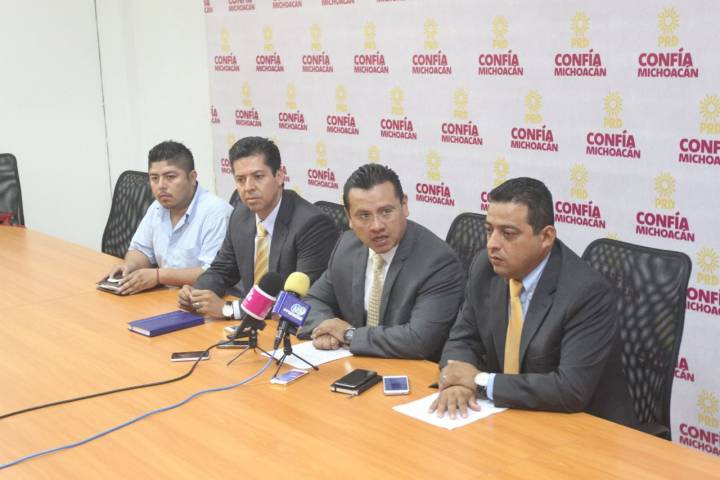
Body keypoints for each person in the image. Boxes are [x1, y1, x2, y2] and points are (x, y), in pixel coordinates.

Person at [430, 177, 636, 427]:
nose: (492, 244)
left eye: (508, 234)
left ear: (546, 236)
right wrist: (457, 383)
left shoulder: (586, 293)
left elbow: (570, 389)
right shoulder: (485, 268)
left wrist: (480, 381)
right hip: (511, 416)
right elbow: (462, 339)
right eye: (489, 230)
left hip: (583, 428)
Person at [298, 164, 464, 360]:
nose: (376, 226)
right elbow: (312, 301)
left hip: (408, 369)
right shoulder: (346, 247)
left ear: (404, 205)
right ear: (349, 217)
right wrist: (326, 327)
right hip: (352, 363)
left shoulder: (438, 262)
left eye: (386, 212)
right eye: (364, 216)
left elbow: (420, 341)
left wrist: (349, 335)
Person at [178, 136, 337, 319]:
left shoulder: (312, 224)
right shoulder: (241, 215)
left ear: (279, 176)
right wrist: (196, 294)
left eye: (258, 177)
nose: (248, 187)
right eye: (240, 179)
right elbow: (221, 270)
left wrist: (230, 309)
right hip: (250, 324)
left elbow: (301, 302)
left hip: (290, 329)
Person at [103, 141, 232, 295]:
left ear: (192, 178)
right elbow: (141, 250)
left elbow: (213, 273)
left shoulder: (216, 213)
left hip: (205, 297)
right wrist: (130, 266)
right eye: (154, 178)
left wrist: (159, 276)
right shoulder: (157, 207)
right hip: (167, 295)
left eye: (170, 177)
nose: (161, 186)